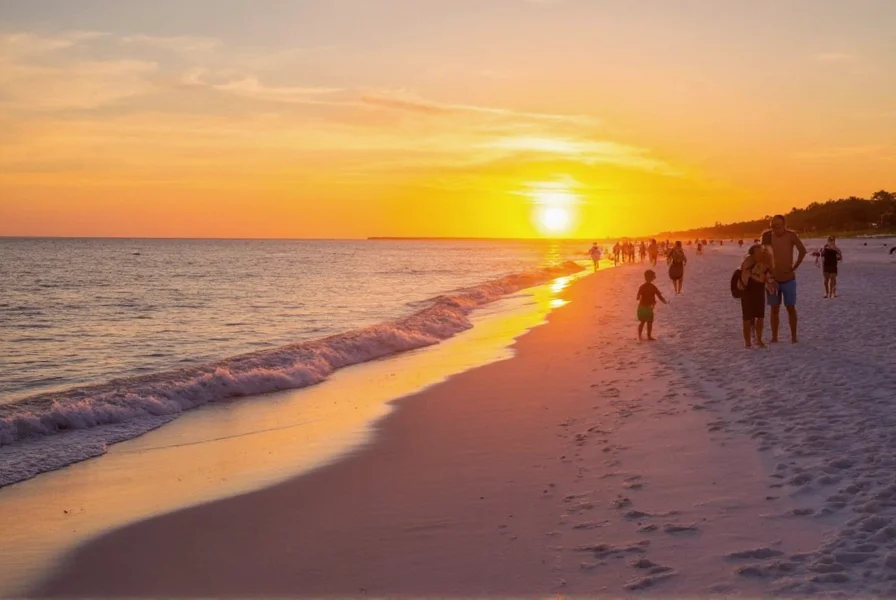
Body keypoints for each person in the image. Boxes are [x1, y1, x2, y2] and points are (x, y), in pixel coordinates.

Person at [761, 214, 807, 343]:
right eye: (773, 226)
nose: (776, 229)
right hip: (772, 279)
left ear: (784, 225)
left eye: (778, 226)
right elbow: (762, 256)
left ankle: (794, 337)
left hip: (788, 278)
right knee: (774, 308)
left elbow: (802, 251)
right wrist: (766, 274)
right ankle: (774, 337)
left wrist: (795, 266)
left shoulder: (791, 235)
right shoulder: (767, 236)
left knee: (790, 307)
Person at [738, 244, 773, 348]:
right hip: (747, 291)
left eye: (761, 251)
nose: (760, 253)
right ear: (752, 253)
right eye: (758, 252)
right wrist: (759, 276)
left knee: (760, 316)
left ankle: (759, 340)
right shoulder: (748, 261)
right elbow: (747, 275)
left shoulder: (764, 261)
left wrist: (769, 282)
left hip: (759, 291)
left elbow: (767, 275)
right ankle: (747, 342)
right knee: (747, 318)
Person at [636, 269, 668, 341]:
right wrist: (665, 302)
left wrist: (639, 299)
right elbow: (659, 296)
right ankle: (649, 336)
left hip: (641, 307)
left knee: (642, 322)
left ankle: (639, 336)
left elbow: (637, 297)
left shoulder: (642, 287)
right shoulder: (653, 287)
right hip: (649, 307)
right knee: (649, 322)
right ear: (652, 278)